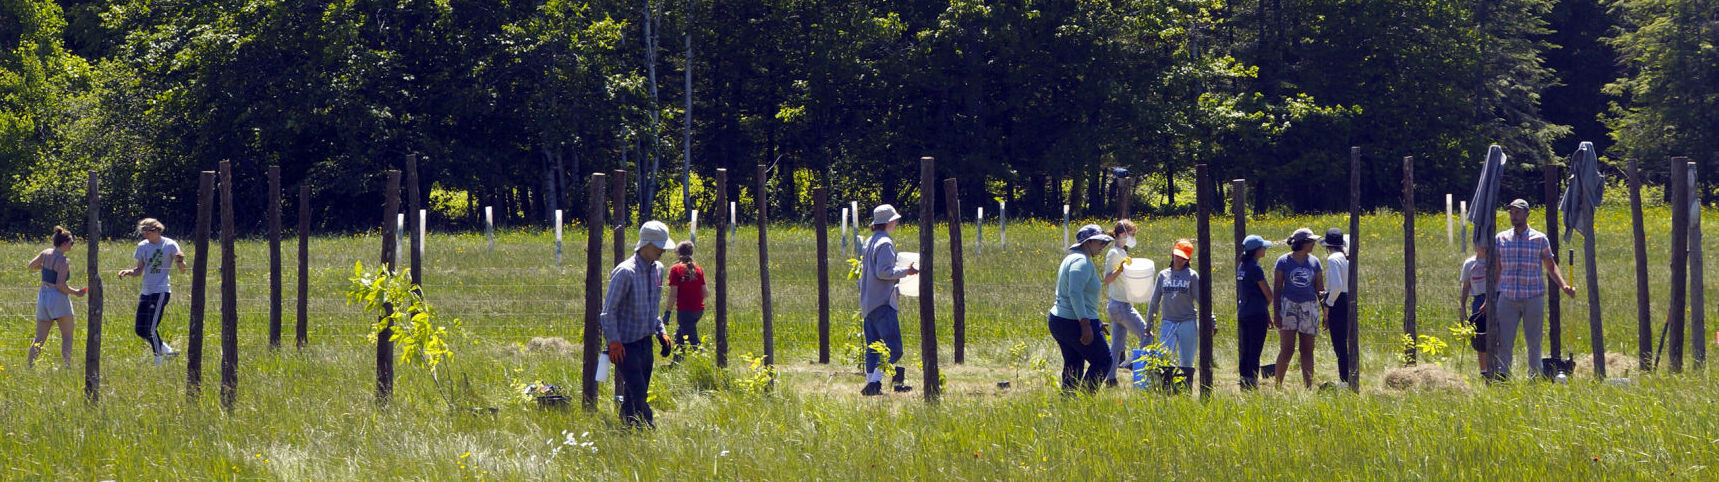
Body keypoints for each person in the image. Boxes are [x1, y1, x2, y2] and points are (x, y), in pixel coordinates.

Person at [600, 220, 677, 428]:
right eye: (658, 246)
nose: (662, 250)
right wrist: (614, 342)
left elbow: (652, 307)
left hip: (645, 342)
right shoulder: (625, 272)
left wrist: (661, 332)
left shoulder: (658, 269)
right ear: (646, 244)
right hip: (625, 345)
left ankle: (626, 427)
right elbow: (608, 312)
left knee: (634, 392)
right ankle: (648, 428)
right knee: (639, 390)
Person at [1489, 199, 1576, 379]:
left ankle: (1534, 375)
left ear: (1527, 214)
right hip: (1507, 296)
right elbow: (1497, 269)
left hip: (1533, 296)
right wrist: (1491, 297)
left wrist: (1564, 285)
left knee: (1534, 340)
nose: (1514, 216)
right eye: (1512, 213)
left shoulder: (1539, 238)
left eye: (1518, 212)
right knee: (1504, 340)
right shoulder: (1501, 239)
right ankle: (1503, 375)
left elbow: (1550, 266)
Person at [858, 204, 918, 396]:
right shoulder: (885, 243)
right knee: (894, 348)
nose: (897, 222)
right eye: (895, 219)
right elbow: (884, 272)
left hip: (868, 302)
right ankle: (875, 383)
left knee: (873, 347)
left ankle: (870, 383)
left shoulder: (869, 242)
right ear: (889, 222)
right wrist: (907, 271)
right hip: (883, 302)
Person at [1049, 224, 1115, 394]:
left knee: (1074, 362)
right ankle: (1085, 399)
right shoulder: (1081, 262)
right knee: (1103, 360)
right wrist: (1086, 324)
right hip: (1075, 322)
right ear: (1087, 242)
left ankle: (1069, 402)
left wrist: (1096, 321)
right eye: (1099, 242)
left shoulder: (1071, 258)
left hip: (1061, 320)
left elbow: (1080, 296)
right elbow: (1075, 292)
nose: (1103, 246)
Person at [115, 218, 186, 365]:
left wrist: (180, 261)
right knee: (140, 330)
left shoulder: (169, 244)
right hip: (146, 291)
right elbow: (139, 270)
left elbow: (183, 270)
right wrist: (128, 272)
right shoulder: (142, 246)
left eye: (147, 231)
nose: (145, 234)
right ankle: (167, 350)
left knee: (151, 328)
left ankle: (158, 360)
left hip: (161, 291)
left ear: (157, 230)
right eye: (143, 232)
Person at [27, 227, 88, 368]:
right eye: (72, 242)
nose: (72, 245)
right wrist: (76, 292)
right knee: (67, 336)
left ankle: (30, 366)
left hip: (43, 295)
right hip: (58, 297)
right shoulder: (63, 261)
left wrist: (44, 269)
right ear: (65, 243)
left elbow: (31, 265)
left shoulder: (45, 253)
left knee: (39, 337)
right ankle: (67, 366)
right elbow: (61, 285)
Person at [1272, 228, 1324, 389]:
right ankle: (1278, 385)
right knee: (1287, 349)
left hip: (1309, 306)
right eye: (1311, 241)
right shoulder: (1283, 261)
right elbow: (1277, 288)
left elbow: (1320, 289)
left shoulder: (1315, 262)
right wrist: (1276, 313)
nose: (1314, 244)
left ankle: (1308, 386)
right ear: (1303, 243)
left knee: (1307, 349)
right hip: (1288, 305)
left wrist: (1326, 311)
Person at [1101, 219, 1149, 385]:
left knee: (1116, 346)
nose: (1133, 237)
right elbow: (1107, 279)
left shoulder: (1122, 252)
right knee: (1147, 334)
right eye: (1131, 234)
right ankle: (1132, 364)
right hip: (1120, 306)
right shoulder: (1114, 253)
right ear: (1122, 234)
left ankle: (1111, 379)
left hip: (1119, 305)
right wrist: (1120, 269)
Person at [1144, 240, 1200, 380]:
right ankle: (1167, 389)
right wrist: (1149, 323)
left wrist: (1212, 320)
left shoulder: (1192, 275)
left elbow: (1202, 300)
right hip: (1168, 322)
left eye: (1183, 257)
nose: (1179, 259)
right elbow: (1155, 300)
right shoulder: (1163, 275)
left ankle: (1185, 390)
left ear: (1188, 259)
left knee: (1186, 360)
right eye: (1177, 255)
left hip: (1188, 322)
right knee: (1165, 357)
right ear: (1172, 254)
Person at [1235, 235, 1274, 390]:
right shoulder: (1255, 268)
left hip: (1244, 312)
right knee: (1255, 350)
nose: (1265, 249)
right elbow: (1268, 294)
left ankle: (1244, 379)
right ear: (1256, 250)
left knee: (1246, 348)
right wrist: (1266, 307)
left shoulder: (1242, 266)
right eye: (1263, 247)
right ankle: (1252, 382)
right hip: (1257, 314)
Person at [1320, 228, 1353, 385]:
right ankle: (1349, 377)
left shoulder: (1333, 259)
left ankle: (1344, 381)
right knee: (1345, 341)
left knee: (1339, 344)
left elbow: (1337, 286)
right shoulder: (1346, 258)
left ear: (1328, 245)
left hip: (1337, 301)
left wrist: (1328, 303)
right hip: (1348, 299)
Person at [666, 241, 709, 349]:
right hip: (699, 310)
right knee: (680, 336)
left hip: (685, 311)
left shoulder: (675, 269)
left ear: (677, 253)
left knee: (694, 341)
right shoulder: (698, 269)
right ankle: (677, 360)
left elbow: (673, 294)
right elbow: (705, 293)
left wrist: (668, 312)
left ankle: (704, 359)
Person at [1459, 244, 1490, 377]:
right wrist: (1462, 304)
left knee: (1496, 334)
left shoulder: (1493, 262)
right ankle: (1484, 371)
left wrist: (1489, 300)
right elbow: (1466, 286)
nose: (1482, 247)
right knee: (1480, 337)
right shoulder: (1469, 264)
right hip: (1477, 299)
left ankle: (1498, 368)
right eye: (1480, 245)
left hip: (1493, 298)